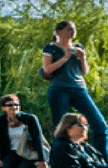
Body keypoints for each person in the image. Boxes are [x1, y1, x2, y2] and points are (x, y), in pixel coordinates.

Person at [42, 20, 108, 158]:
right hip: (59, 90)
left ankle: (102, 161)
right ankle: (62, 160)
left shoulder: (78, 47)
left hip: (79, 89)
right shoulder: (50, 48)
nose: (73, 32)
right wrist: (65, 57)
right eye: (69, 29)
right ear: (59, 32)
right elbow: (47, 69)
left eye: (74, 29)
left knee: (100, 124)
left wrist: (83, 58)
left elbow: (84, 72)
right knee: (60, 128)